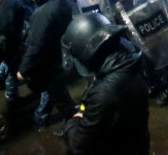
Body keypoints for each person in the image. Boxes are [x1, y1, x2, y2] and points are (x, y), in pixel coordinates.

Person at [62, 13, 149, 155]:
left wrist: (73, 122)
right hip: (137, 143)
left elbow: (78, 146)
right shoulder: (132, 61)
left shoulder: (105, 92)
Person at [17, 0, 76, 126]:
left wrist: (23, 69)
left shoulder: (42, 13)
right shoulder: (66, 3)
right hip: (64, 55)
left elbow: (36, 44)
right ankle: (41, 116)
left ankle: (73, 124)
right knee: (52, 91)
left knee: (59, 95)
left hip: (50, 61)